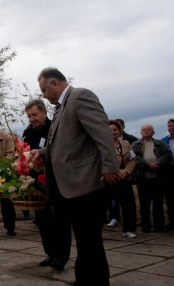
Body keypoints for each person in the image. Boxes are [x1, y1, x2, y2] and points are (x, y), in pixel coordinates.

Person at [30, 67, 121, 286]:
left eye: (44, 89)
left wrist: (109, 167)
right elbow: (61, 145)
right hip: (69, 188)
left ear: (54, 83)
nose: (43, 95)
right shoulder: (60, 108)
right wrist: (41, 152)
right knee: (84, 241)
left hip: (86, 186)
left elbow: (102, 134)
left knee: (90, 243)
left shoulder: (81, 97)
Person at [23, 99, 71, 271]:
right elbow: (25, 154)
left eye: (34, 114)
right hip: (37, 183)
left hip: (57, 181)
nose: (32, 119)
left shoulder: (55, 128)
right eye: (29, 116)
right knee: (42, 221)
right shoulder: (27, 132)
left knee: (60, 220)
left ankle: (62, 257)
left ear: (44, 112)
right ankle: (50, 253)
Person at [132, 124, 173, 232]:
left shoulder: (160, 143)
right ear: (141, 132)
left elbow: (168, 155)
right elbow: (135, 158)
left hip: (158, 178)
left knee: (158, 203)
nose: (146, 131)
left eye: (149, 130)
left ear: (153, 132)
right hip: (143, 179)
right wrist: (148, 165)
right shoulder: (136, 144)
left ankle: (159, 226)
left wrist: (158, 163)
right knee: (144, 204)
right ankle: (146, 226)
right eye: (144, 130)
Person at [106, 120, 138, 238]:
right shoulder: (104, 145)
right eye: (110, 130)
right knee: (104, 205)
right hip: (110, 178)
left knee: (128, 204)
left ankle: (128, 229)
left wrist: (127, 171)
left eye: (115, 130)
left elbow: (133, 159)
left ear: (119, 131)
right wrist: (116, 171)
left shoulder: (125, 143)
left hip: (124, 178)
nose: (113, 132)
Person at [162, 118, 174, 231]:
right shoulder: (163, 141)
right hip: (169, 173)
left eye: (173, 126)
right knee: (170, 199)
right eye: (169, 126)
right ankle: (171, 222)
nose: (171, 128)